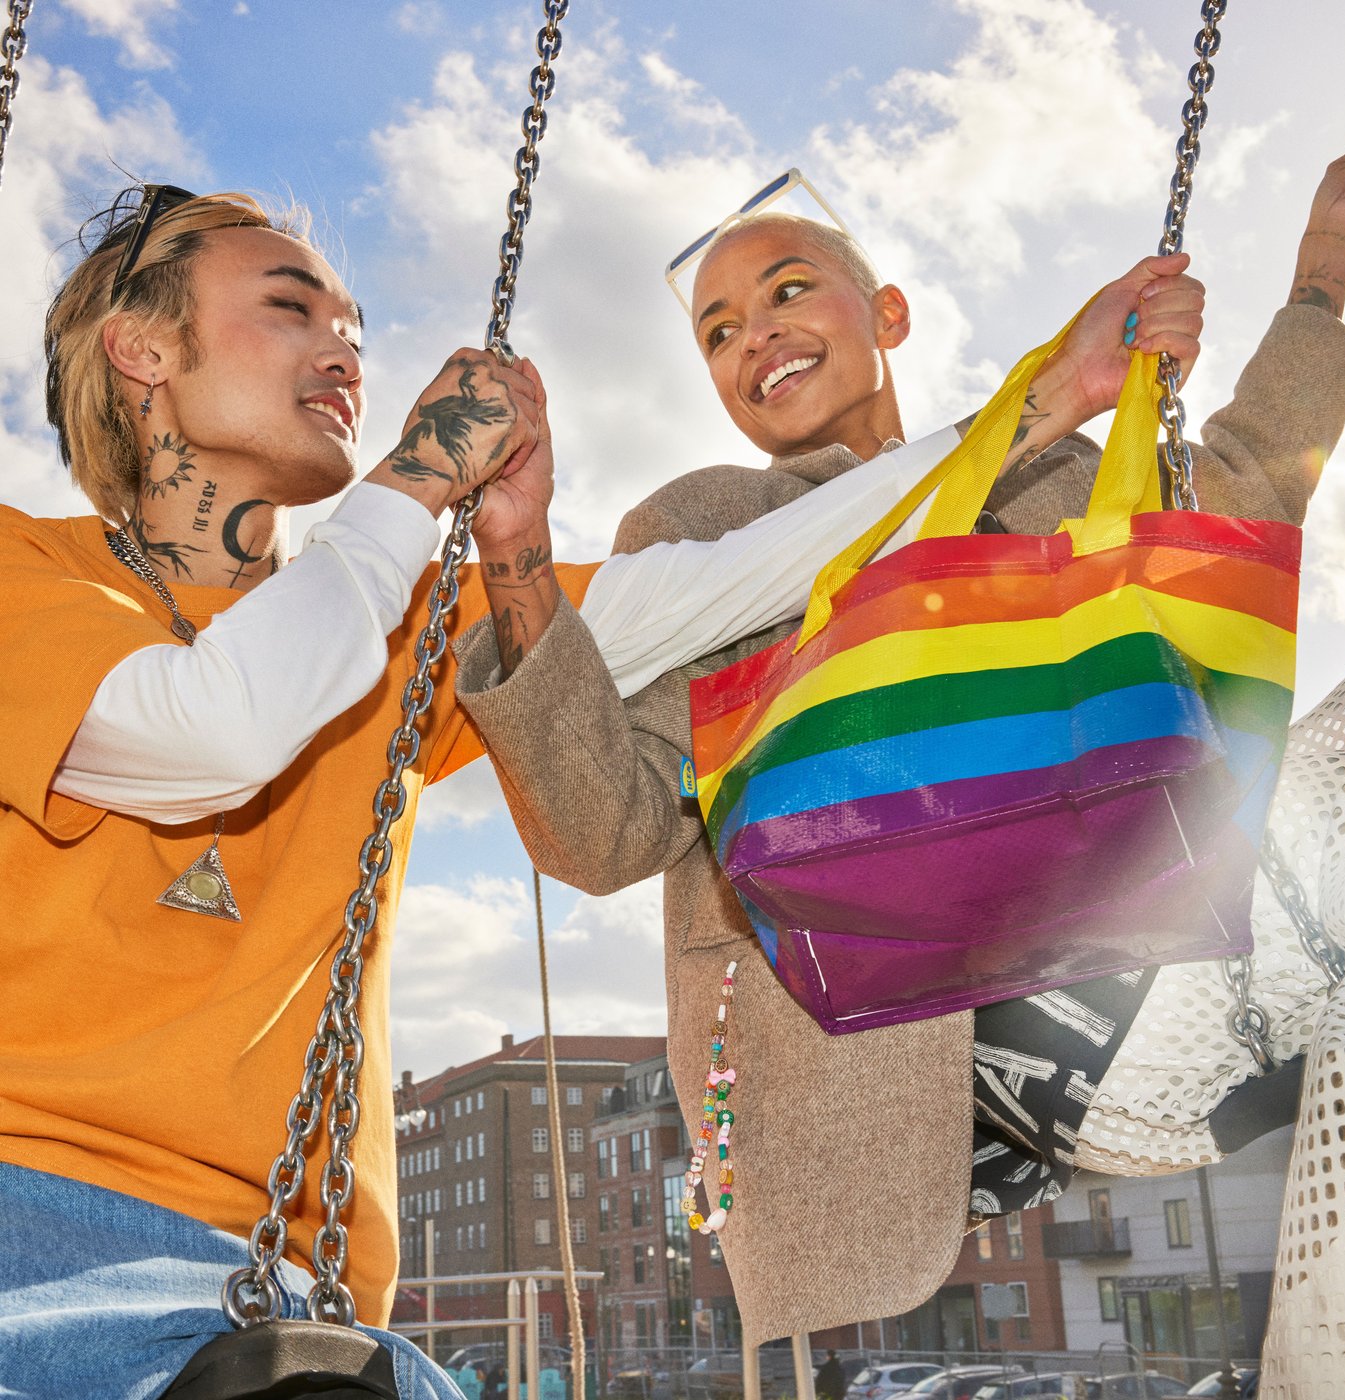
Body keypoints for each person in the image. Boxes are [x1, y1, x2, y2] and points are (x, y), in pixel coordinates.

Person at [0, 184, 1036, 1396]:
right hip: (37, 1235)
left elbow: (724, 584)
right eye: (292, 308)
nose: (344, 347)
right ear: (143, 349)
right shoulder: (28, 575)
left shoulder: (392, 636)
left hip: (295, 1295)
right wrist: (417, 475)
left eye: (355, 325)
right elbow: (216, 721)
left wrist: (1027, 412)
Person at [452, 124, 1345, 1345]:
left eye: (789, 289)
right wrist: (518, 560)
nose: (757, 336)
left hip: (1140, 950)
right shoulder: (706, 524)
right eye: (720, 330)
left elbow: (1249, 479)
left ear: (886, 312)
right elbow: (605, 827)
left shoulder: (1049, 480)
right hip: (897, 1037)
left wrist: (1324, 252)